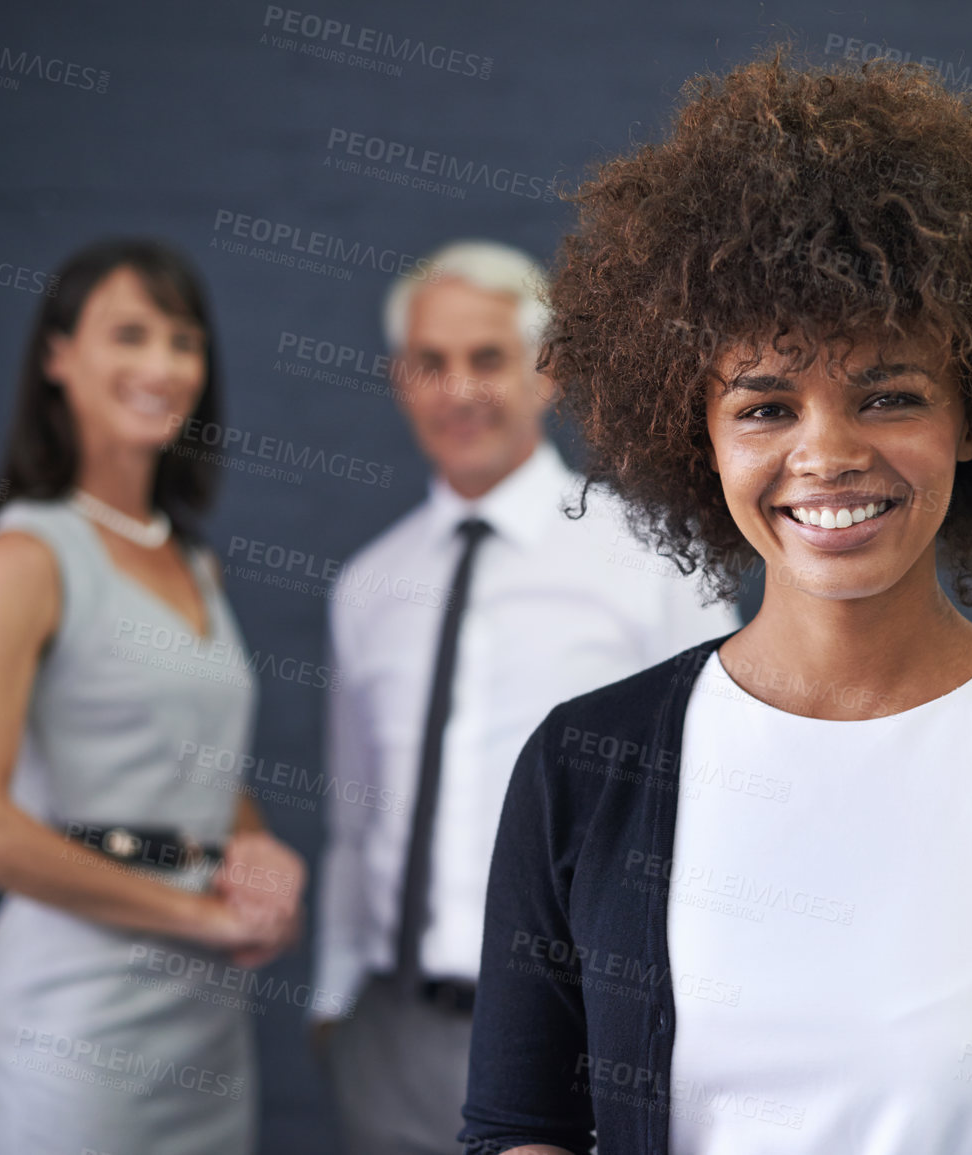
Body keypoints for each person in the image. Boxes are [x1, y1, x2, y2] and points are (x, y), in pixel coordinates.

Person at [460, 52, 972, 1155]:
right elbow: (521, 1129)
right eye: (767, 405)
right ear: (702, 436)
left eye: (890, 395)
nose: (827, 454)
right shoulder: (586, 769)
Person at [310, 240, 738, 1154]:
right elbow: (356, 807)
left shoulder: (652, 559)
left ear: (546, 373)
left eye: (486, 358)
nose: (458, 389)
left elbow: (725, 789)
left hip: (580, 1030)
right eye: (431, 363)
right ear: (400, 380)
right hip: (394, 1029)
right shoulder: (368, 586)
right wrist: (332, 995)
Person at [0, 238, 307, 1154]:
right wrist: (195, 915)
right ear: (57, 356)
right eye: (128, 333)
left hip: (206, 1012)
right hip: (79, 1012)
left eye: (183, 340)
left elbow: (193, 755)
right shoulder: (21, 556)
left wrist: (254, 845)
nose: (162, 365)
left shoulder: (192, 559)